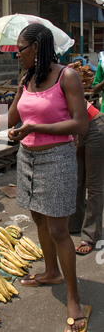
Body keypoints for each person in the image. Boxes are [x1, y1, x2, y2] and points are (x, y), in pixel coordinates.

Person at [6, 23, 91, 332]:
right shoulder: (27, 79)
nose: (17, 55)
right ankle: (51, 272)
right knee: (39, 220)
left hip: (57, 158)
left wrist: (34, 129)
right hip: (27, 158)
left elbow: (79, 124)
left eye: (20, 50)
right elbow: (12, 119)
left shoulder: (66, 76)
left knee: (58, 228)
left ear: (37, 48)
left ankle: (73, 298)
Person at [68, 100, 104, 254]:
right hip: (81, 129)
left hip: (95, 127)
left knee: (94, 184)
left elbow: (76, 115)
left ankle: (90, 236)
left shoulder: (62, 82)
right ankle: (75, 224)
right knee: (77, 180)